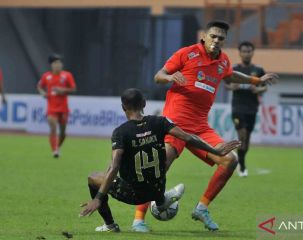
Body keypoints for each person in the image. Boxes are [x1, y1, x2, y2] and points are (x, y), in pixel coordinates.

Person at [131, 20, 279, 232]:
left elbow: (231, 74)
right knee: (160, 165)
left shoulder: (223, 61)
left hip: (200, 127)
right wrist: (171, 76)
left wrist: (257, 80)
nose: (216, 41)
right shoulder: (187, 53)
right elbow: (158, 76)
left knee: (230, 160)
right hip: (175, 124)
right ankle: (138, 220)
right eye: (213, 36)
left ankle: (201, 208)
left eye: (221, 38)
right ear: (204, 37)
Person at [79, 88, 240, 233]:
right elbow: (188, 137)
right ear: (144, 103)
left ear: (123, 107)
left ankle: (110, 225)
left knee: (93, 177)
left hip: (133, 195)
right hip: (156, 190)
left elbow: (114, 167)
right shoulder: (160, 122)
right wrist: (215, 150)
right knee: (151, 169)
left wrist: (98, 199)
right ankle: (163, 199)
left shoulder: (121, 132)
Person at [225, 41, 267, 177]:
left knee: (246, 140)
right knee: (241, 134)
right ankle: (241, 166)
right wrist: (233, 87)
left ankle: (242, 162)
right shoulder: (234, 69)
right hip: (238, 107)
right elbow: (226, 84)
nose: (246, 54)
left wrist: (258, 89)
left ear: (252, 53)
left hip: (252, 108)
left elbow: (265, 87)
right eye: (244, 51)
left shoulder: (259, 70)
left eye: (249, 51)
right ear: (240, 53)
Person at [37, 54, 76, 158]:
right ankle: (54, 150)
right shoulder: (46, 76)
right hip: (51, 108)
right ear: (51, 65)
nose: (58, 65)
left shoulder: (67, 75)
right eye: (55, 63)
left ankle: (57, 147)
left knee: (63, 133)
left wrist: (63, 90)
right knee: (53, 128)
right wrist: (42, 93)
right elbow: (40, 86)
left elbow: (73, 89)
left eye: (59, 63)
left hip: (63, 108)